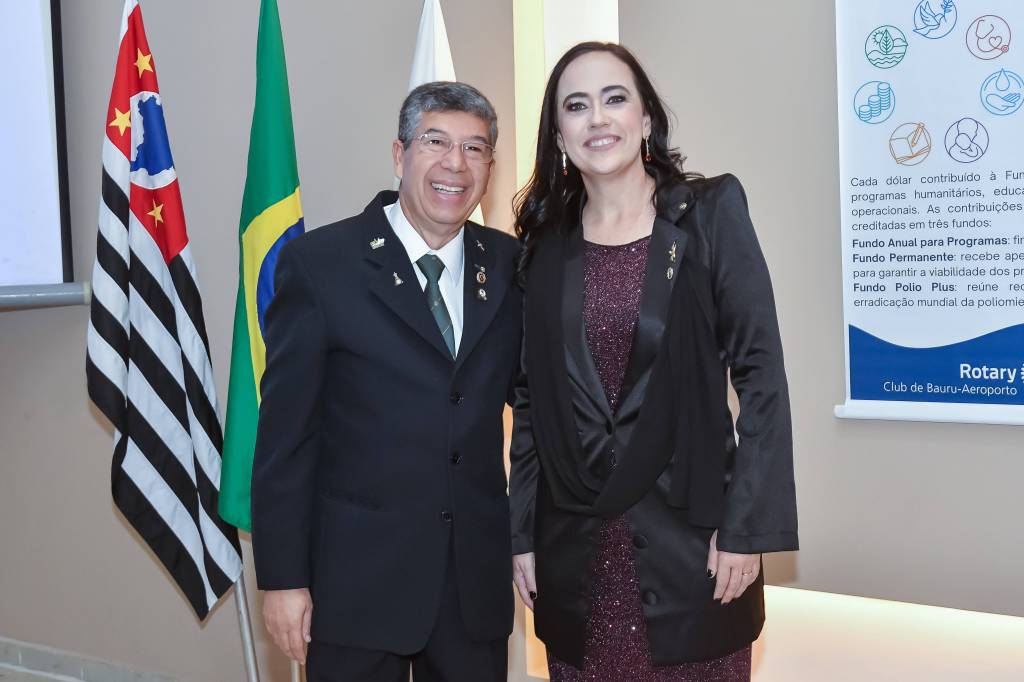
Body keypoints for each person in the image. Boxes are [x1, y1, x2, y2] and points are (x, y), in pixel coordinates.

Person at [508, 42, 798, 681]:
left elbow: (761, 376)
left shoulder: (709, 213)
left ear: (645, 119)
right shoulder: (543, 246)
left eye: (614, 99)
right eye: (576, 106)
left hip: (697, 549)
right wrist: (521, 534)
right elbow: (531, 402)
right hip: (574, 558)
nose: (597, 118)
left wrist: (746, 528)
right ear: (558, 135)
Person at [251, 81, 522, 682]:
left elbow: (535, 409)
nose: (455, 164)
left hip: (471, 591)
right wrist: (283, 579)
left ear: (489, 168)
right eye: (435, 142)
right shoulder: (321, 265)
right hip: (355, 589)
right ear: (400, 155)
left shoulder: (510, 267)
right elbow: (286, 439)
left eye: (474, 148)